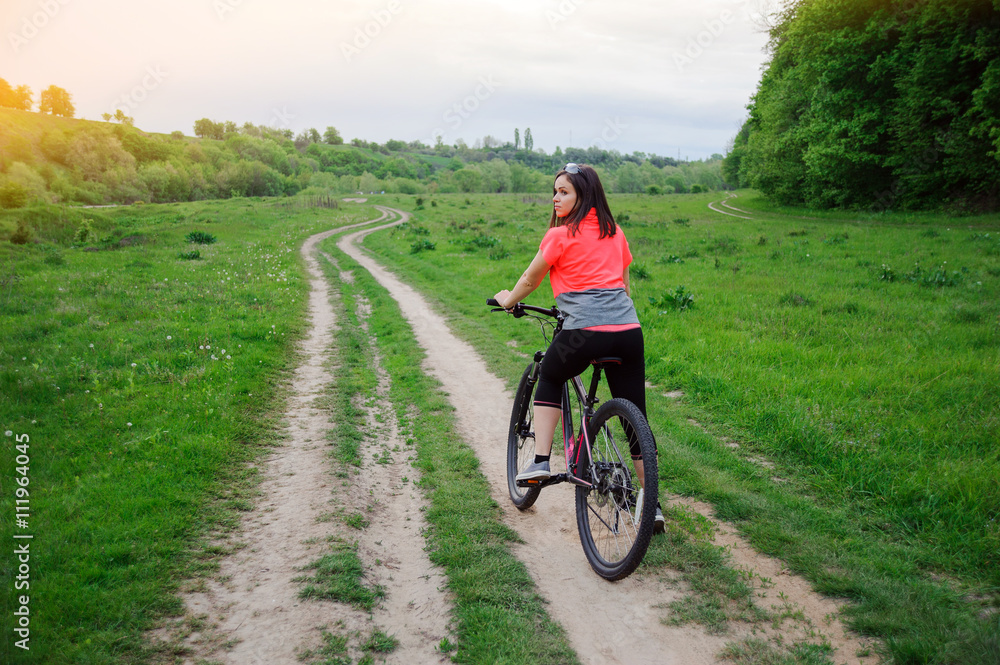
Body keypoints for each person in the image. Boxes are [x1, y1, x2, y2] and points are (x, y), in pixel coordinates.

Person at [493, 163, 664, 532]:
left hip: (583, 332)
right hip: (628, 330)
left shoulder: (559, 235)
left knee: (551, 374)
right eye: (554, 191)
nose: (556, 198)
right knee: (637, 416)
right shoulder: (615, 233)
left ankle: (539, 461)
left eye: (564, 192)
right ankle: (653, 506)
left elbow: (529, 279)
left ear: (583, 195)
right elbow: (624, 285)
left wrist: (508, 301)